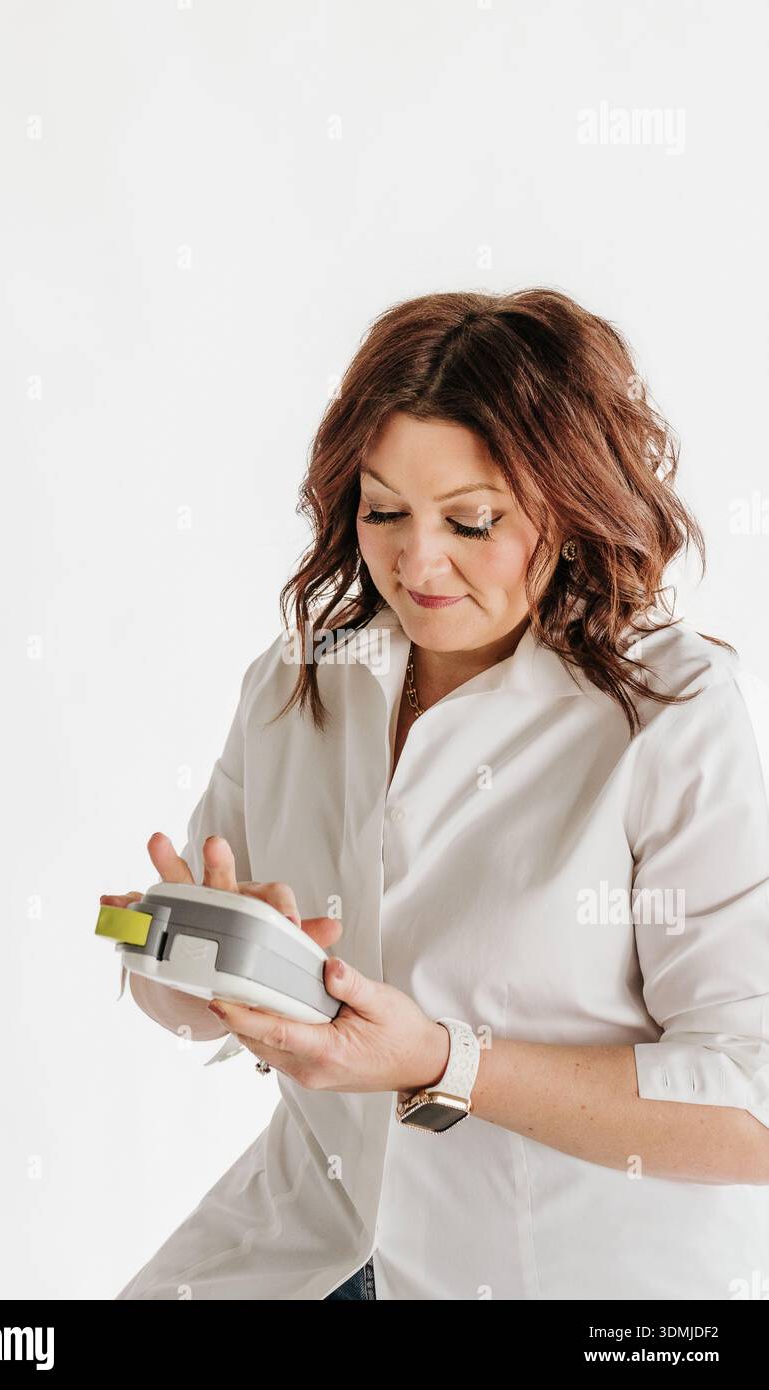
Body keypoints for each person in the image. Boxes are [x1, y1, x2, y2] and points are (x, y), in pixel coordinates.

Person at [105, 288, 769, 1300]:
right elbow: (159, 973)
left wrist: (440, 1063)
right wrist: (192, 949)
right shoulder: (298, 687)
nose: (416, 562)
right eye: (382, 510)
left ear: (567, 502)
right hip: (303, 1248)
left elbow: (747, 1106)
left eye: (471, 520)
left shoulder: (666, 710)